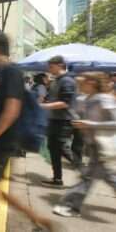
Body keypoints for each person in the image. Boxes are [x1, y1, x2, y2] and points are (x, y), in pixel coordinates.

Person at [0, 33, 58, 232]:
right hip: (4, 137)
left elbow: (12, 111)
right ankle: (36, 220)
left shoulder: (11, 71)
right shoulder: (5, 72)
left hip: (5, 138)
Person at [53, 72, 116, 217]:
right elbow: (80, 117)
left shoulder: (105, 99)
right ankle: (71, 206)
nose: (78, 85)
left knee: (88, 178)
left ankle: (71, 206)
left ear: (92, 82)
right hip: (93, 145)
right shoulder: (83, 99)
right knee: (107, 176)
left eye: (81, 83)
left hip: (103, 145)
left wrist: (90, 123)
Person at [41, 56, 77, 188]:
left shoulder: (67, 81)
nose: (49, 69)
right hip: (54, 119)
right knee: (53, 149)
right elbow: (52, 99)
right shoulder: (56, 80)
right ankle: (57, 179)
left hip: (64, 121)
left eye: (51, 66)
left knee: (63, 149)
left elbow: (65, 103)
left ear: (60, 65)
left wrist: (44, 106)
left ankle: (86, 172)